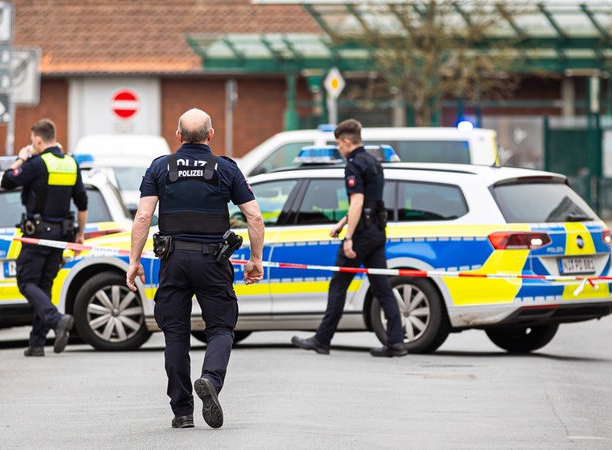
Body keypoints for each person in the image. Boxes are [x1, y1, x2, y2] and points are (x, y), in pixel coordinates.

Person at [125, 108, 264, 429]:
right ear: (210, 135)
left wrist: (133, 261)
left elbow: (144, 217)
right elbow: (254, 217)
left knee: (175, 334)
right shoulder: (226, 169)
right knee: (220, 328)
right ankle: (211, 381)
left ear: (178, 136)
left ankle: (182, 411)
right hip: (213, 262)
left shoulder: (161, 167)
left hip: (173, 261)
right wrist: (255, 259)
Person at [291, 119, 406, 357]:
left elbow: (357, 201)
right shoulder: (374, 162)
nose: (339, 150)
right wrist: (342, 223)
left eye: (339, 145)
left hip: (362, 234)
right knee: (382, 287)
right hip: (376, 231)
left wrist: (349, 237)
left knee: (338, 285)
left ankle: (322, 340)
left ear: (345, 141)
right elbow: (369, 202)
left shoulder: (353, 164)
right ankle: (396, 342)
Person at [1, 119, 87, 357]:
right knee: (44, 285)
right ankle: (37, 343)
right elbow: (82, 203)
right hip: (62, 235)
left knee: (26, 282)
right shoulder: (71, 163)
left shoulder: (37, 164)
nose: (32, 145)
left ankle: (56, 320)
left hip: (38, 233)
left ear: (38, 140)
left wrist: (21, 158)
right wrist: (80, 235)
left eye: (32, 142)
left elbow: (7, 181)